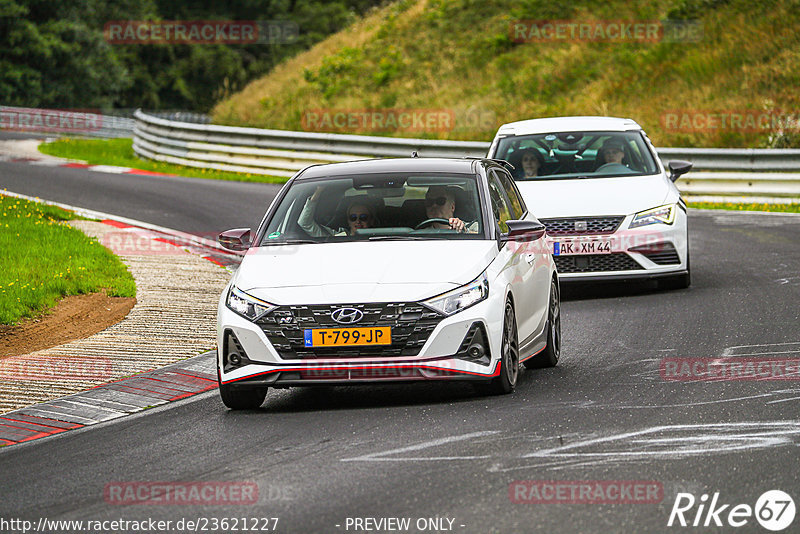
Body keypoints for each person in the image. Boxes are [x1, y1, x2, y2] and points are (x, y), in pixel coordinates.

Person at [299, 186, 377, 237]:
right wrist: (318, 191)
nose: (358, 221)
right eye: (353, 217)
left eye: (363, 217)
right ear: (348, 221)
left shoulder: (382, 238)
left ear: (371, 220)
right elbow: (305, 223)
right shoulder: (337, 237)